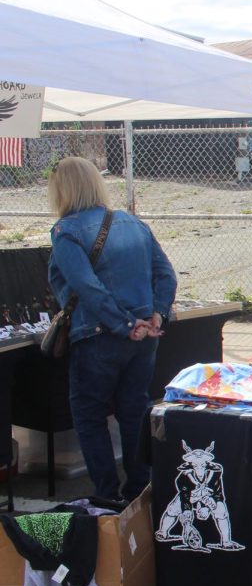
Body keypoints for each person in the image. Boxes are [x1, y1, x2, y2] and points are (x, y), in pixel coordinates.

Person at [47, 157, 177, 503]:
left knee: (89, 417)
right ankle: (139, 492)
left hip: (100, 336)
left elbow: (87, 288)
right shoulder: (133, 224)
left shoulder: (66, 232)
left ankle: (107, 497)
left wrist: (125, 324)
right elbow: (166, 275)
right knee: (133, 412)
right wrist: (156, 317)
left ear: (62, 189)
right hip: (143, 339)